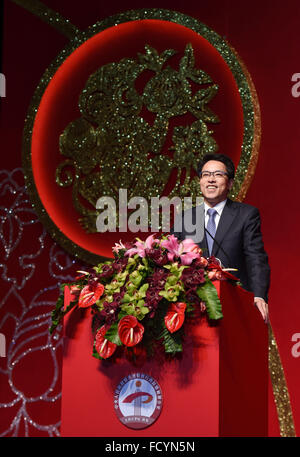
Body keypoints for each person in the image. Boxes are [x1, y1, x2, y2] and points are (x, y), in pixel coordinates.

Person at [172, 153, 270, 323]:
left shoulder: (246, 215)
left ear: (230, 183)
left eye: (218, 174)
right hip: (192, 308)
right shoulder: (185, 218)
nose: (211, 179)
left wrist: (259, 295)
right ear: (200, 182)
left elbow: (256, 258)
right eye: (206, 175)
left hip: (235, 305)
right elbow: (170, 255)